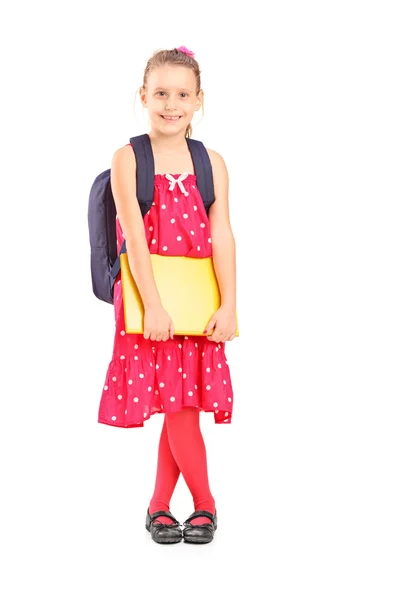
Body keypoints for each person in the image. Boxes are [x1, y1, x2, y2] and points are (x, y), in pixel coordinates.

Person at [98, 46, 238, 544]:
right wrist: (153, 305)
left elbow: (221, 234)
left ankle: (159, 507)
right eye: (160, 93)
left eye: (182, 94)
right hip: (147, 300)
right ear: (142, 96)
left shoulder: (211, 162)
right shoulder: (128, 157)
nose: (171, 103)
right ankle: (206, 504)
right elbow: (134, 236)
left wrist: (230, 304)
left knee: (182, 405)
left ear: (199, 100)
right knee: (179, 408)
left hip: (199, 301)